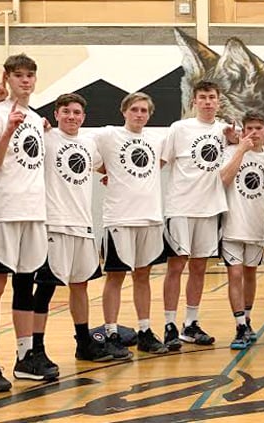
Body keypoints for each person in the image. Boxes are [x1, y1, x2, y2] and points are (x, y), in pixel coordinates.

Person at [0, 53, 57, 390]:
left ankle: (25, 357)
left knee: (26, 284)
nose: (25, 81)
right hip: (3, 212)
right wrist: (8, 130)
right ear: (7, 77)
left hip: (34, 213)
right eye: (18, 75)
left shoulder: (38, 120)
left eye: (30, 75)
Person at [33, 93, 112, 362]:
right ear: (56, 114)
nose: (71, 116)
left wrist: (109, 176)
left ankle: (83, 343)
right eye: (66, 111)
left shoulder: (89, 145)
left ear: (83, 117)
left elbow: (105, 167)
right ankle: (36, 348)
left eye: (77, 112)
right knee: (45, 288)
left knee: (81, 286)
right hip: (54, 225)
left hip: (84, 226)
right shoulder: (46, 138)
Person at [96, 92, 167, 357]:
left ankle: (145, 330)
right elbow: (84, 153)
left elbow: (160, 163)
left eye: (144, 110)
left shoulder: (156, 139)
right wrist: (109, 172)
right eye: (135, 109)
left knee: (143, 276)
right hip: (119, 218)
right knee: (115, 276)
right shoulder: (108, 135)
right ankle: (112, 332)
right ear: (124, 111)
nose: (139, 114)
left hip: (149, 217)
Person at [160, 80, 228, 350]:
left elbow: (257, 138)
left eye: (212, 97)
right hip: (180, 207)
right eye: (203, 97)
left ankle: (190, 323)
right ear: (194, 101)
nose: (208, 101)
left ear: (219, 101)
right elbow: (160, 161)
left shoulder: (225, 130)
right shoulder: (180, 128)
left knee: (199, 267)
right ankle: (169, 324)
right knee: (176, 266)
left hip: (209, 208)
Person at [219, 111, 264, 350]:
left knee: (251, 275)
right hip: (232, 225)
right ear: (242, 131)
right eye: (249, 128)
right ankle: (240, 325)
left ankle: (248, 319)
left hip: (257, 226)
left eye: (258, 128)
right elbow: (223, 179)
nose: (253, 132)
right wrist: (241, 150)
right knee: (235, 274)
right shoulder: (231, 152)